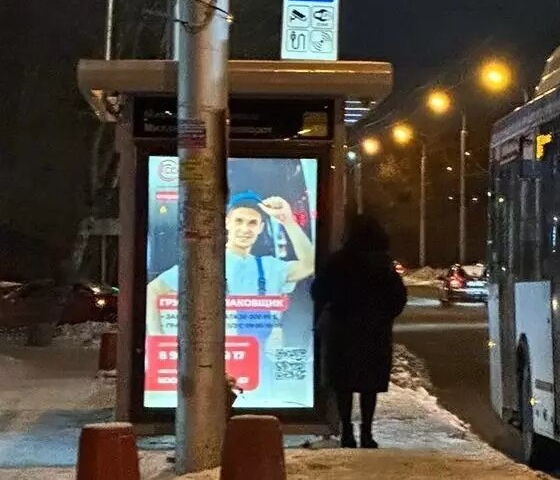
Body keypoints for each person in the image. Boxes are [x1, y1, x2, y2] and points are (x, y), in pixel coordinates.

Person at [146, 191, 316, 336]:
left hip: (260, 364)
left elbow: (309, 265)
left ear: (260, 228)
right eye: (239, 221)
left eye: (252, 223)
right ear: (227, 222)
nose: (245, 229)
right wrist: (156, 338)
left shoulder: (270, 268)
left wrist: (288, 221)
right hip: (211, 360)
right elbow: (153, 290)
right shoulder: (202, 263)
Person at [312, 215, 407, 449]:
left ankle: (346, 431)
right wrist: (383, 317)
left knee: (343, 384)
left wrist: (332, 306)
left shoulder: (339, 261)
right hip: (374, 331)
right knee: (369, 385)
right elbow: (398, 297)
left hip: (341, 329)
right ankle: (367, 432)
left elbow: (318, 289)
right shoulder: (383, 264)